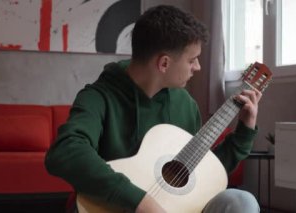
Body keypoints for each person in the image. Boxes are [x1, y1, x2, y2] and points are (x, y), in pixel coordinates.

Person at [45, 5, 261, 213]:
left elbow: (200, 176)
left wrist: (244, 130)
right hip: (119, 206)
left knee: (241, 201)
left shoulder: (185, 104)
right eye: (192, 60)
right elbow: (66, 151)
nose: (198, 67)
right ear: (164, 63)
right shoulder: (97, 97)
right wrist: (141, 202)